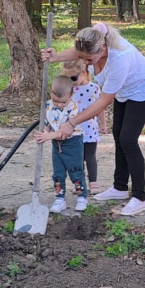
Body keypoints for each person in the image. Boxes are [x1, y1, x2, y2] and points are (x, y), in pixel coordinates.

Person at [42, 22, 145, 217]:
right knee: (118, 136)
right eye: (82, 58)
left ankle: (140, 197)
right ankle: (120, 187)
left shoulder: (119, 60)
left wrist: (72, 122)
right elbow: (79, 51)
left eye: (88, 59)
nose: (85, 63)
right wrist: (56, 57)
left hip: (142, 89)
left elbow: (102, 102)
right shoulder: (94, 43)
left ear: (103, 49)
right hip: (125, 92)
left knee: (128, 140)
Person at [34, 76, 88, 213]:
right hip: (56, 144)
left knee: (75, 171)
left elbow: (65, 132)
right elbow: (46, 122)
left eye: (63, 102)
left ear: (71, 95)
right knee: (58, 173)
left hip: (72, 143)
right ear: (51, 94)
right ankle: (59, 199)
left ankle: (82, 197)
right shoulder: (47, 105)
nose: (59, 105)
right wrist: (43, 133)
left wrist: (47, 136)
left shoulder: (73, 108)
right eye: (56, 101)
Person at [61, 60, 108, 194]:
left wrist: (103, 124)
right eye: (67, 78)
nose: (71, 81)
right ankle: (79, 184)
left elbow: (100, 108)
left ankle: (93, 183)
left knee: (90, 157)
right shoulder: (68, 89)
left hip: (90, 129)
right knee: (77, 159)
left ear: (83, 73)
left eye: (73, 78)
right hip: (73, 130)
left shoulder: (94, 88)